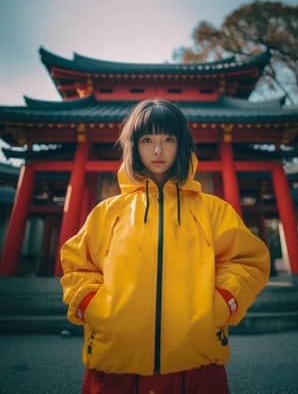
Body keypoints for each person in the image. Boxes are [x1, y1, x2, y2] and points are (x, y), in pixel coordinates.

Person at [60, 99, 270, 394]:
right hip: (115, 361)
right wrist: (91, 306)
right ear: (134, 145)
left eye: (168, 139)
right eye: (147, 140)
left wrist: (223, 300)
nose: (158, 150)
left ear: (181, 144)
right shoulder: (108, 213)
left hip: (197, 362)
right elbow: (76, 265)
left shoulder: (213, 211)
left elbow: (249, 261)